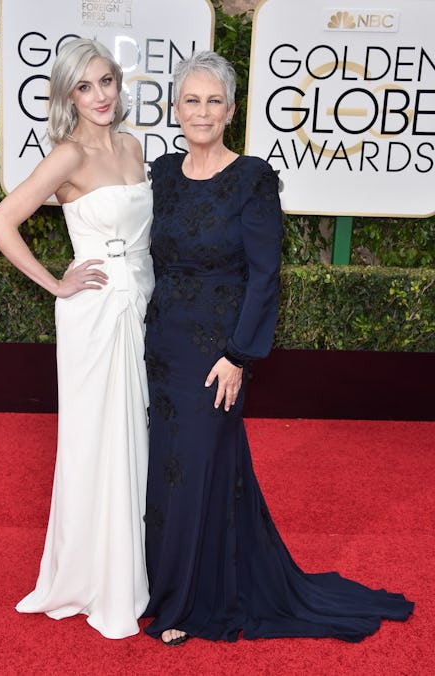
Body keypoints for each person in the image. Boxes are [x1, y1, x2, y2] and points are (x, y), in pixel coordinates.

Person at [142, 50, 414, 646]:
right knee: (167, 468)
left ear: (232, 110)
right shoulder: (160, 173)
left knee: (201, 468)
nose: (203, 111)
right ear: (175, 108)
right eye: (192, 100)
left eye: (215, 101)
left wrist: (239, 355)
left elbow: (266, 276)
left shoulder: (252, 179)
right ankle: (164, 583)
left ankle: (191, 603)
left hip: (218, 354)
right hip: (160, 349)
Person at [0, 38, 154, 639]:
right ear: (67, 97)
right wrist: (56, 283)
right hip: (94, 314)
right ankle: (90, 578)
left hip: (140, 310)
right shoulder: (68, 156)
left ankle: (128, 572)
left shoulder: (134, 147)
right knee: (94, 445)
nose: (100, 96)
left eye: (106, 81)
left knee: (133, 441)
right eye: (84, 87)